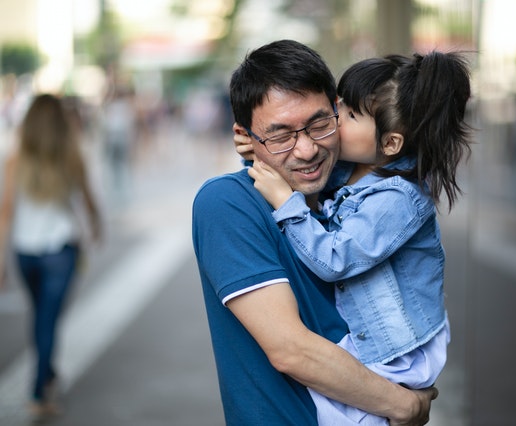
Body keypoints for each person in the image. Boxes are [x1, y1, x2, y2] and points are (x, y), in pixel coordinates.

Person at [191, 39, 437, 426]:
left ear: (338, 112)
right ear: (246, 136)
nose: (306, 150)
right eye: (280, 134)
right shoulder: (226, 203)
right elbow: (291, 350)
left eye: (319, 124)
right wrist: (404, 406)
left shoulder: (355, 196)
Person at [243, 51, 472, 425]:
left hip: (396, 354)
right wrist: (259, 152)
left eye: (350, 115)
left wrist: (285, 202)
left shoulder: (397, 199)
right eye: (342, 105)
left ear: (392, 143)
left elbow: (335, 259)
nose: (336, 118)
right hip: (375, 343)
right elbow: (299, 178)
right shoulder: (351, 171)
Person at [0, 94, 102, 418]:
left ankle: (47, 373)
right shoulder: (71, 154)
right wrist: (97, 227)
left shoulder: (16, 158)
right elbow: (87, 199)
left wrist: (1, 260)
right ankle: (37, 392)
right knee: (48, 319)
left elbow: (5, 211)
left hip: (24, 253)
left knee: (40, 316)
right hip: (61, 251)